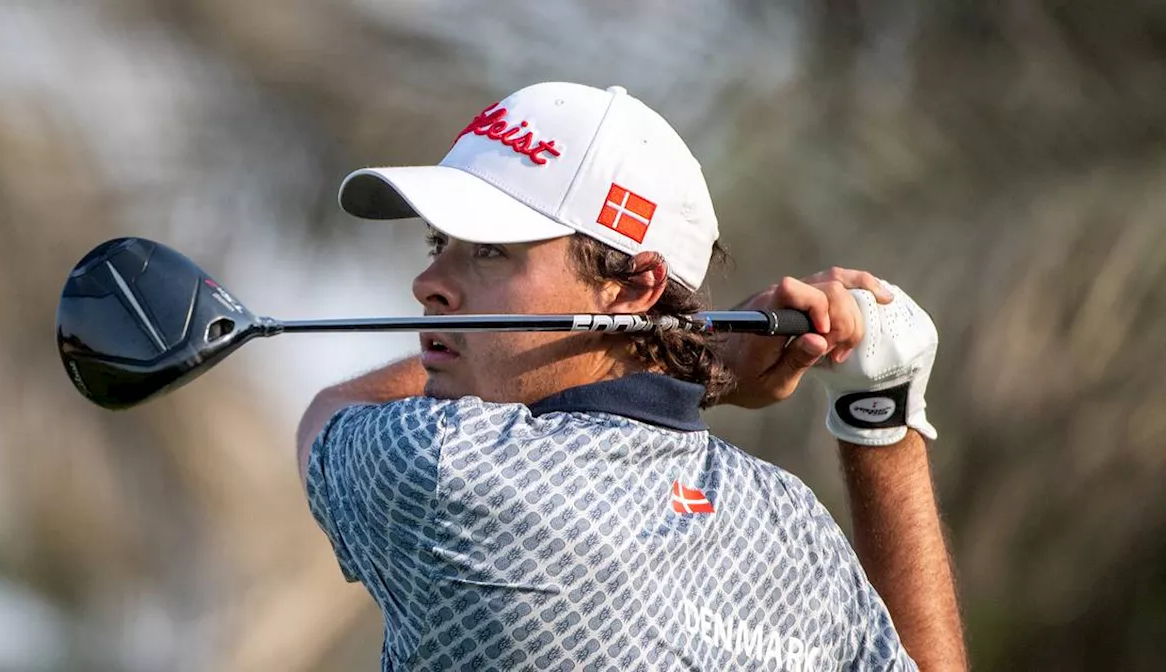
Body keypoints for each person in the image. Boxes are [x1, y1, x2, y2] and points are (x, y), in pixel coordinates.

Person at [298, 82, 967, 671]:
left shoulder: (443, 467)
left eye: (492, 250)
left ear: (632, 289)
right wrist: (879, 408)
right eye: (439, 244)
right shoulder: (793, 526)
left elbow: (329, 412)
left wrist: (712, 365)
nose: (429, 284)